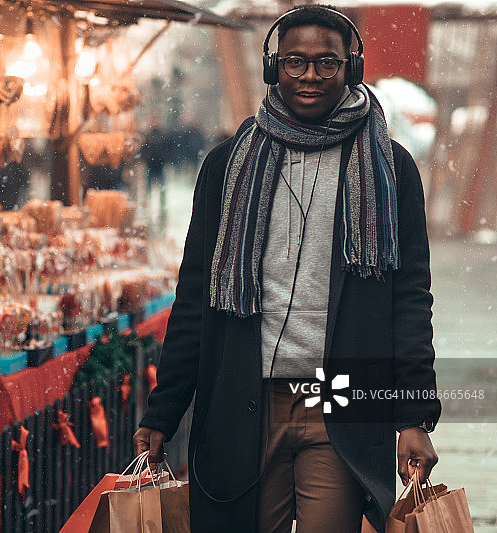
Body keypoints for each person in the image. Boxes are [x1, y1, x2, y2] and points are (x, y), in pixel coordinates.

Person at [133, 5, 440, 532]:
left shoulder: (390, 169)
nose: (311, 76)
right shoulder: (227, 165)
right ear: (275, 68)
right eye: (295, 63)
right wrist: (164, 412)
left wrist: (413, 415)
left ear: (352, 67)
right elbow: (195, 299)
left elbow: (409, 298)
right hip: (242, 403)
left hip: (340, 402)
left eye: (327, 63)